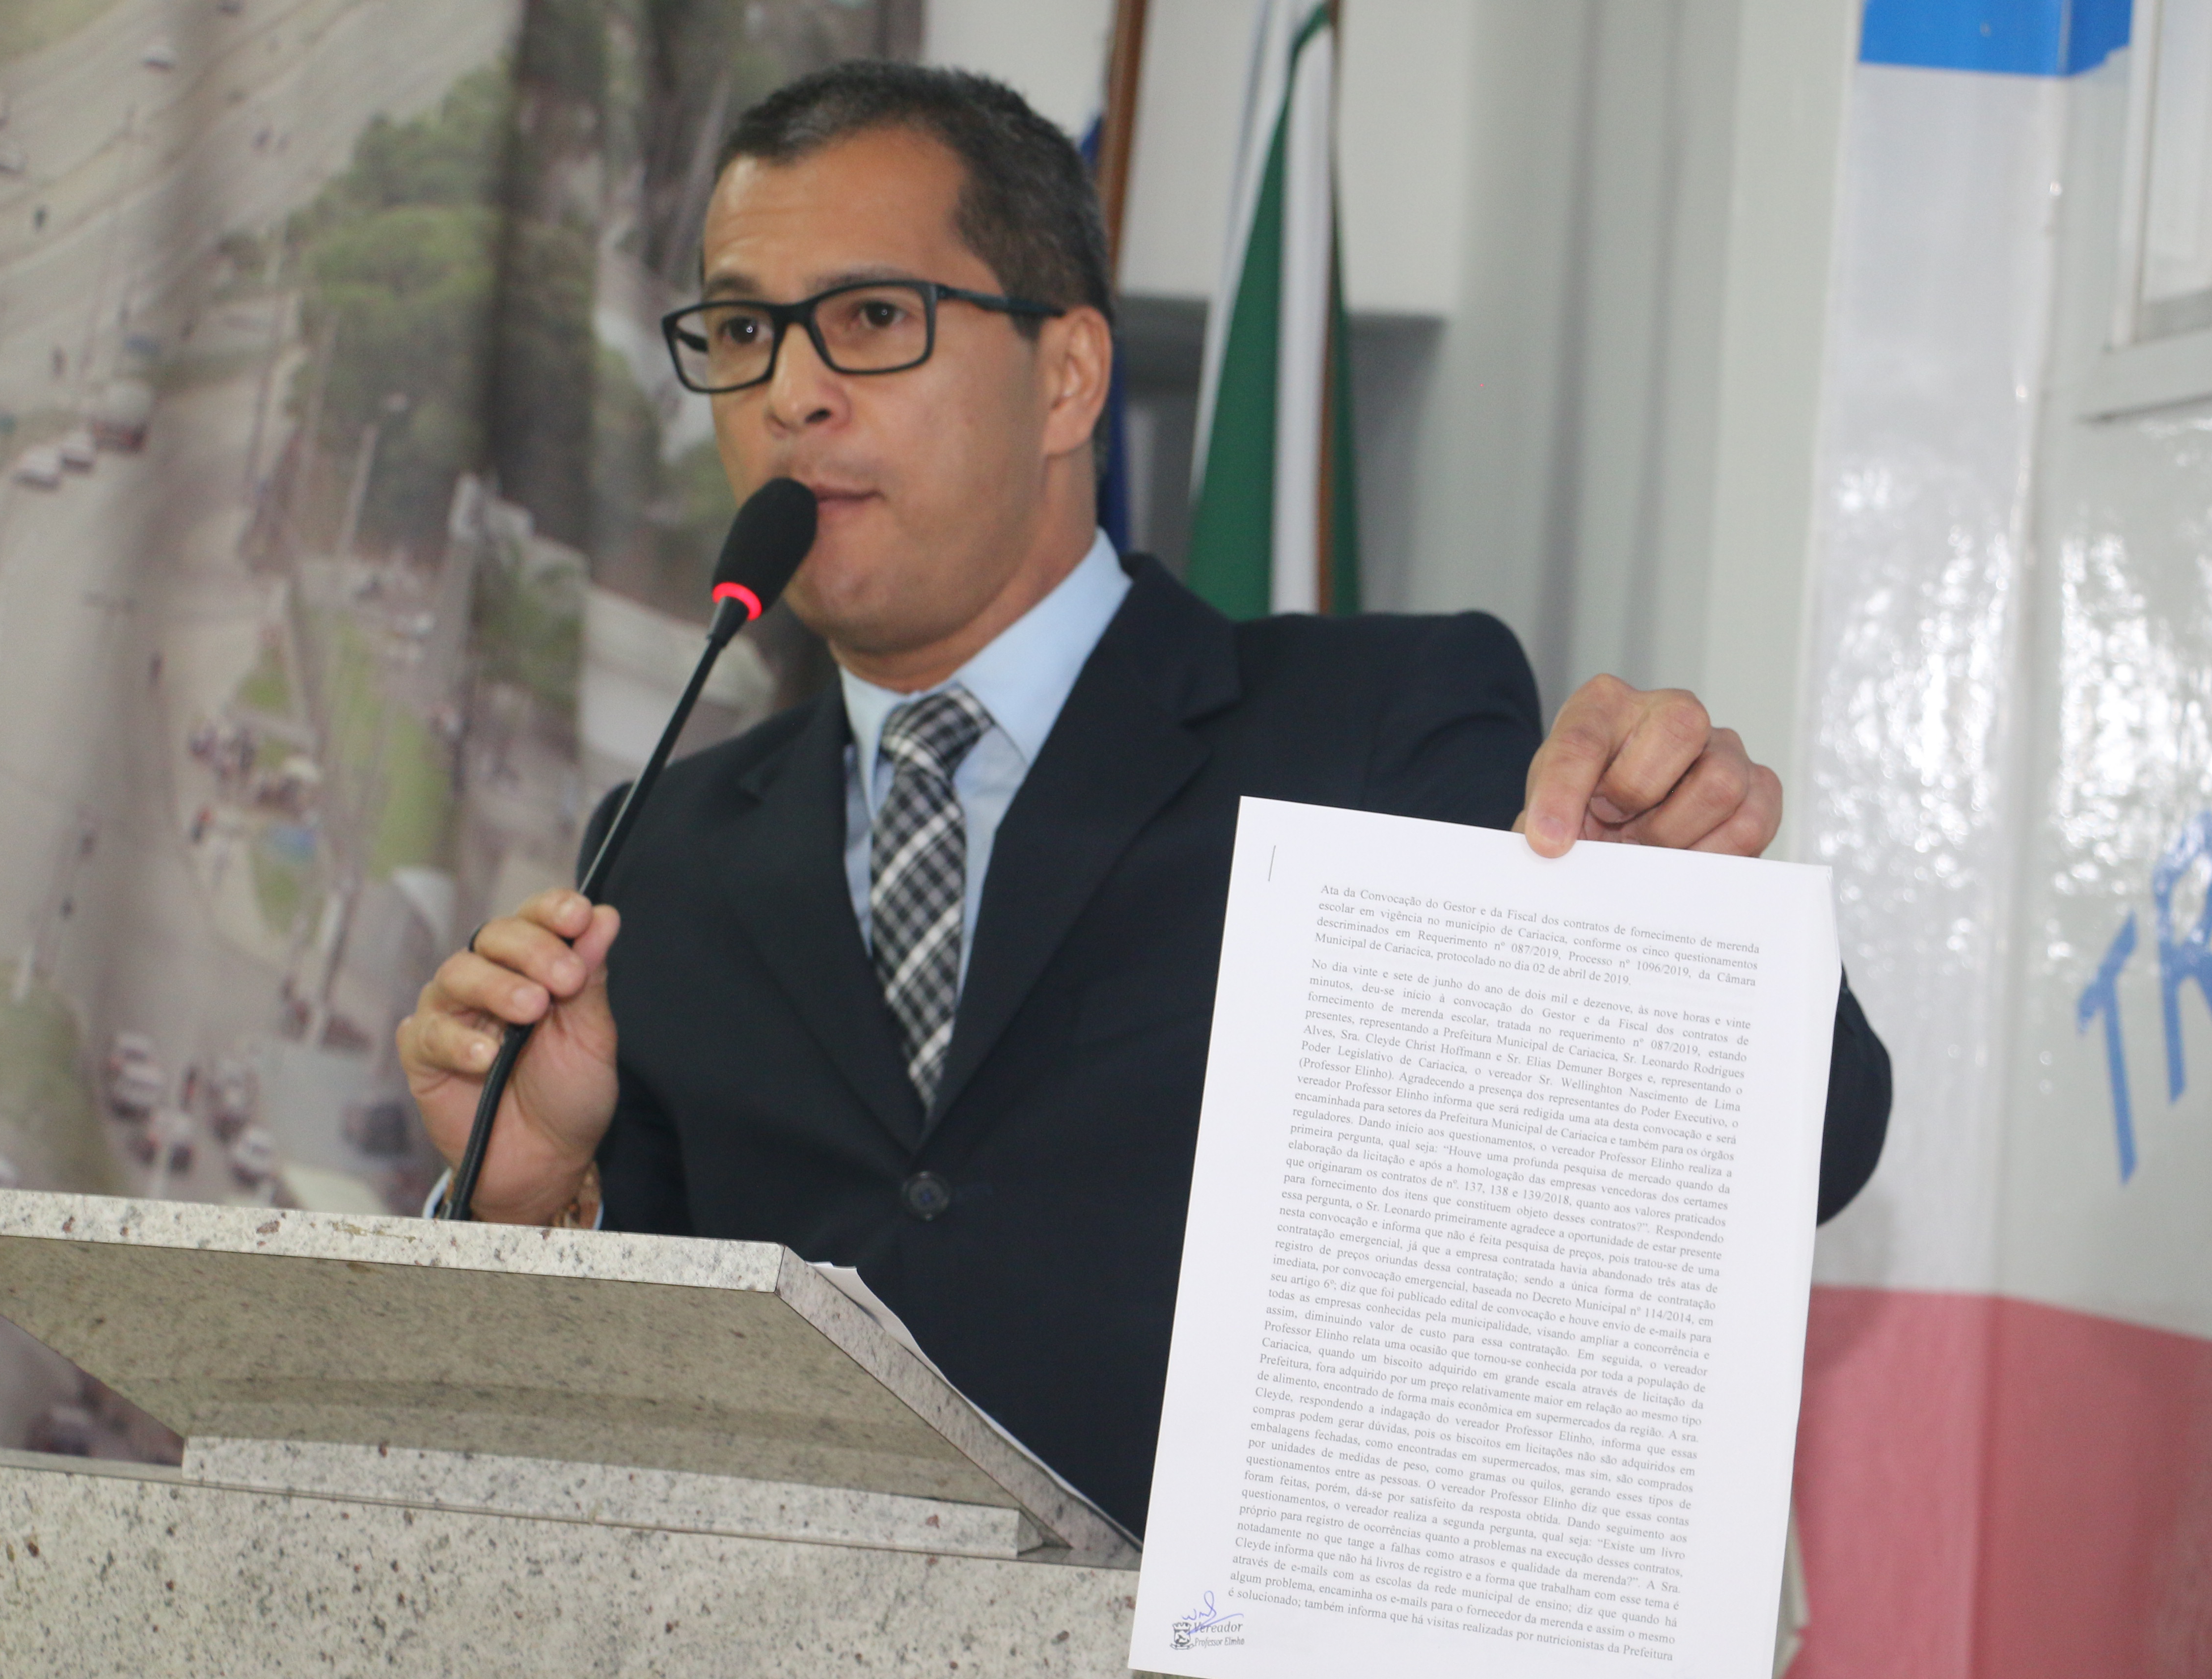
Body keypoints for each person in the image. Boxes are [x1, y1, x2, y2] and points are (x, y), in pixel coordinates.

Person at [399, 63, 1890, 1536]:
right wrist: (528, 1202)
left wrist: (1669, 929)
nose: (792, 394)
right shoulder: (661, 846)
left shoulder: (1373, 730)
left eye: (871, 318)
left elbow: (1792, 1158)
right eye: (742, 331)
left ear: (1067, 377)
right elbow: (617, 1438)